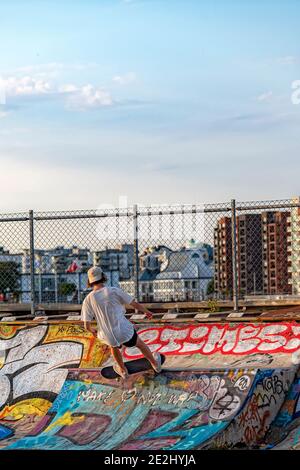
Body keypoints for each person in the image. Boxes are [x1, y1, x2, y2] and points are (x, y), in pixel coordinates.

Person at [81, 266, 161, 379]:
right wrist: (147, 312)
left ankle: (123, 370)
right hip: (123, 330)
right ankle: (155, 364)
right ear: (103, 277)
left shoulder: (88, 299)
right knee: (139, 344)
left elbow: (86, 325)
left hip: (107, 335)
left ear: (89, 281)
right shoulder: (113, 290)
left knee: (113, 346)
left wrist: (92, 330)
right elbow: (133, 303)